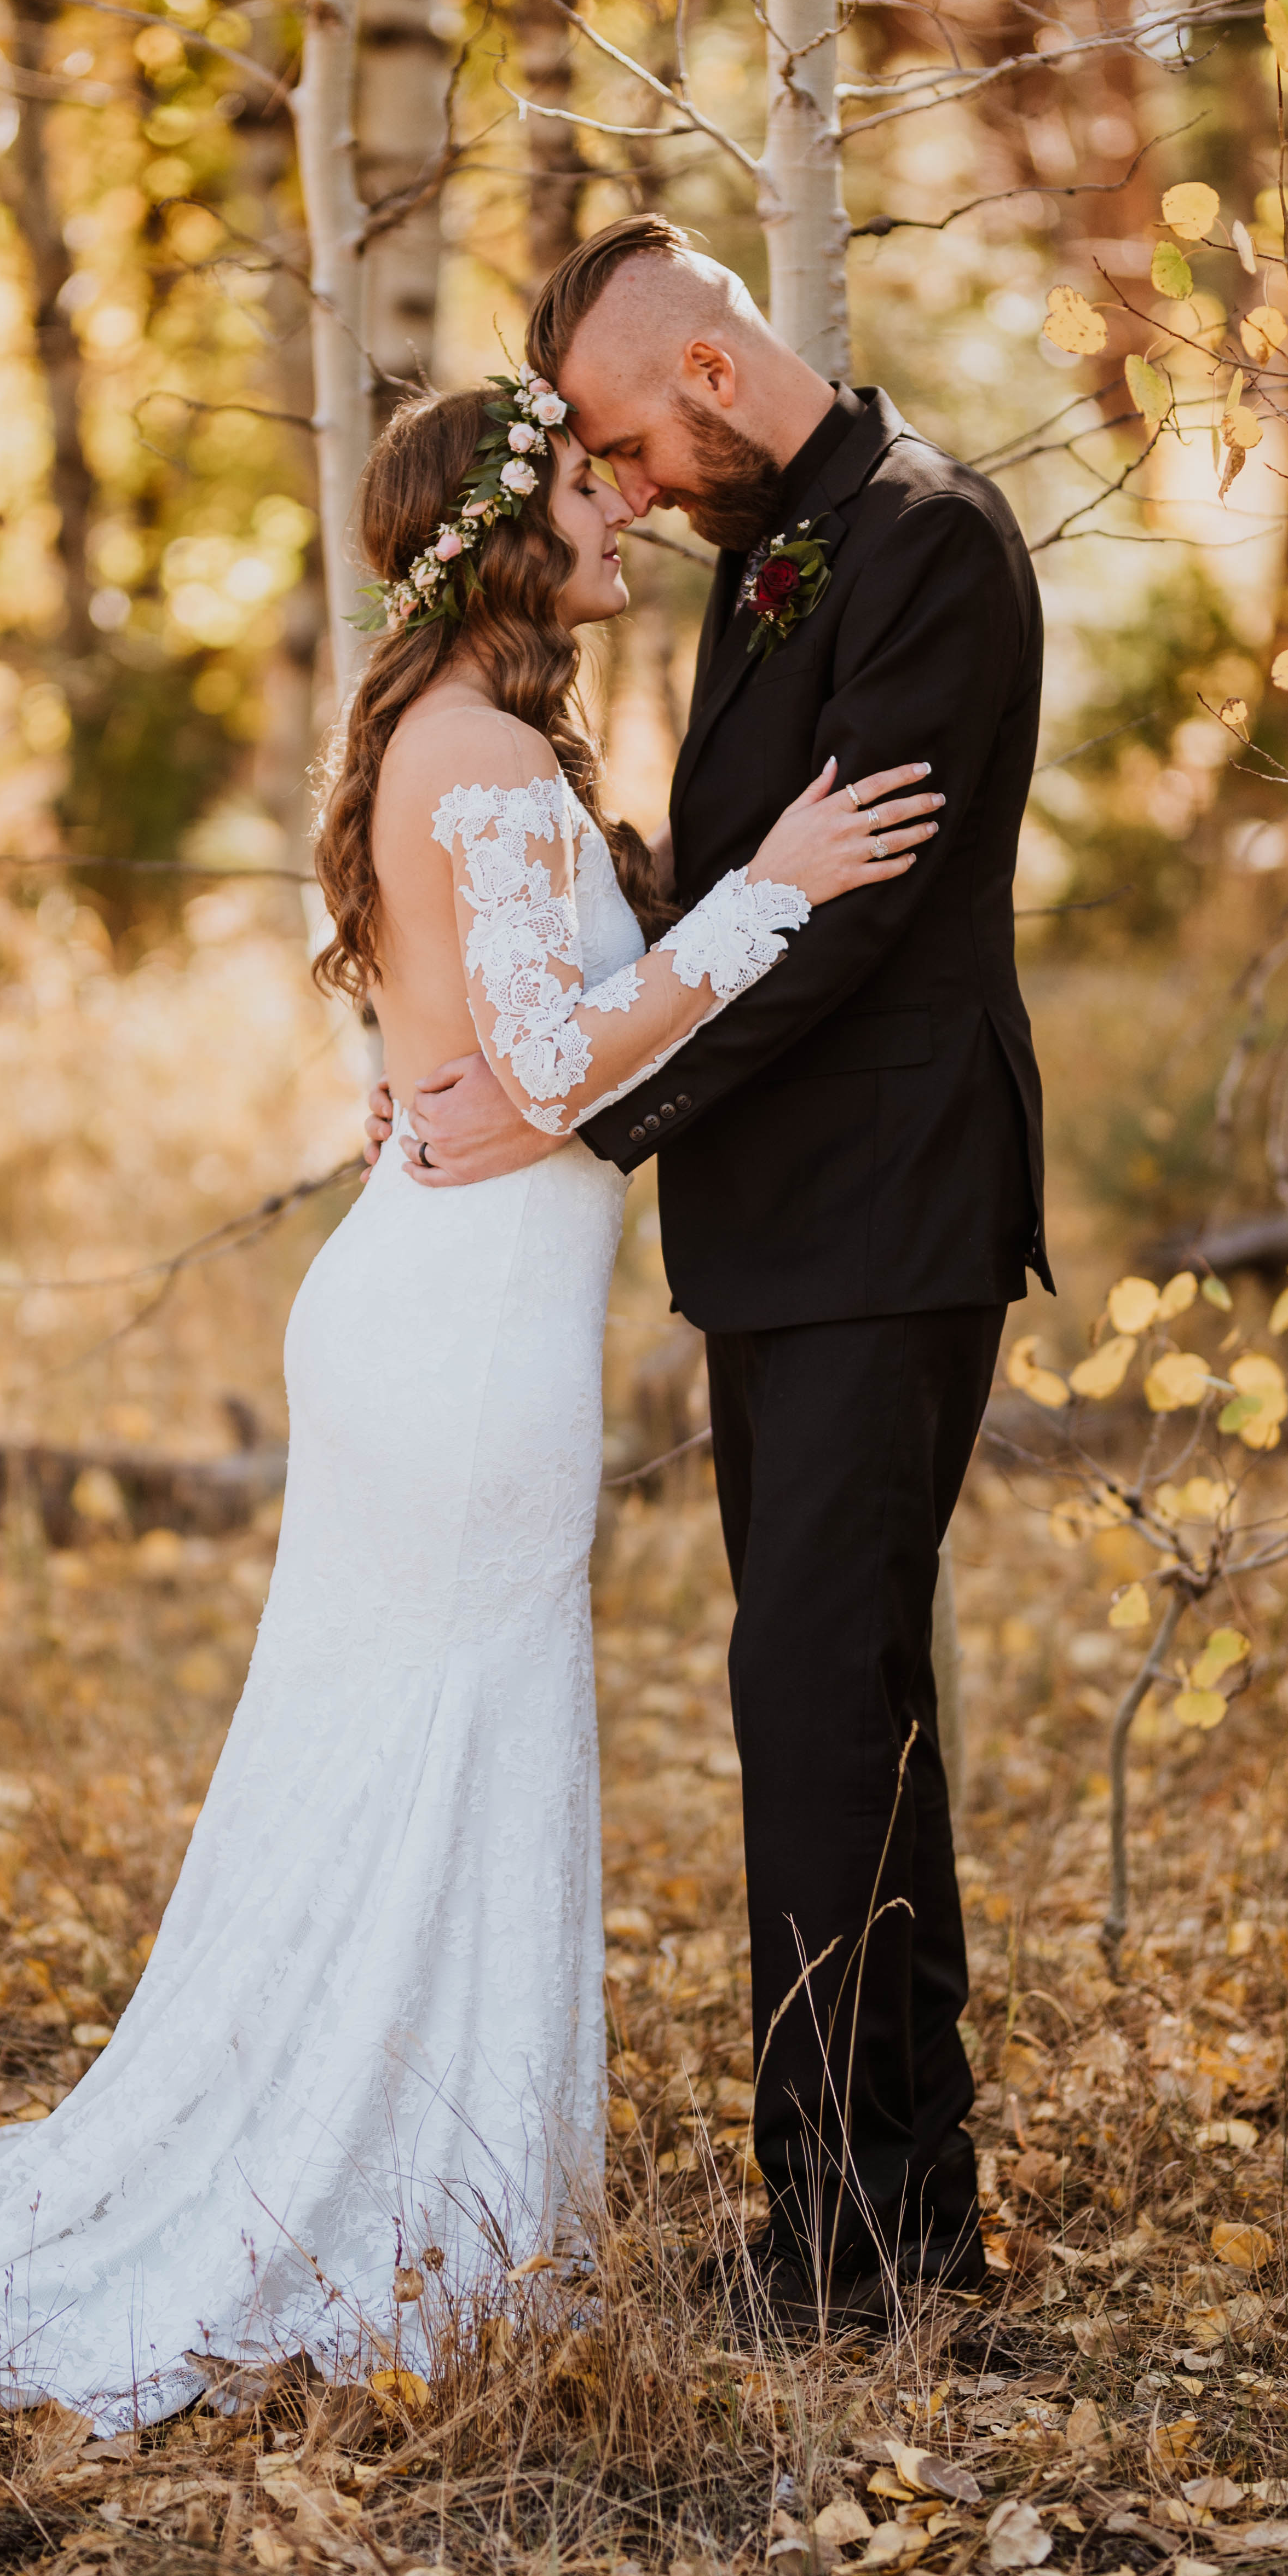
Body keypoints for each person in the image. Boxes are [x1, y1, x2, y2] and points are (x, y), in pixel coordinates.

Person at [0, 365, 940, 2434]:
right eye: (591, 494)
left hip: (442, 1305)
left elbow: (482, 1043)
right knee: (436, 1746)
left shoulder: (465, 745)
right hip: (458, 1342)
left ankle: (426, 2194)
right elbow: (550, 1073)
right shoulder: (478, 762)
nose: (630, 514)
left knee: (399, 1750)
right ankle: (400, 2220)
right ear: (512, 540)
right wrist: (774, 881)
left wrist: (501, 1043)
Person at [367, 219, 1050, 2334]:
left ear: (713, 378)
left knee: (812, 1703)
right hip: (787, 1238)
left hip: (886, 1216)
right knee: (849, 1697)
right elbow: (739, 875)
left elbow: (854, 918)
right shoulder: (780, 551)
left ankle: (838, 2246)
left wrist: (592, 1113)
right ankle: (906, 2207)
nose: (624, 487)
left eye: (619, 440)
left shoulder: (928, 541)